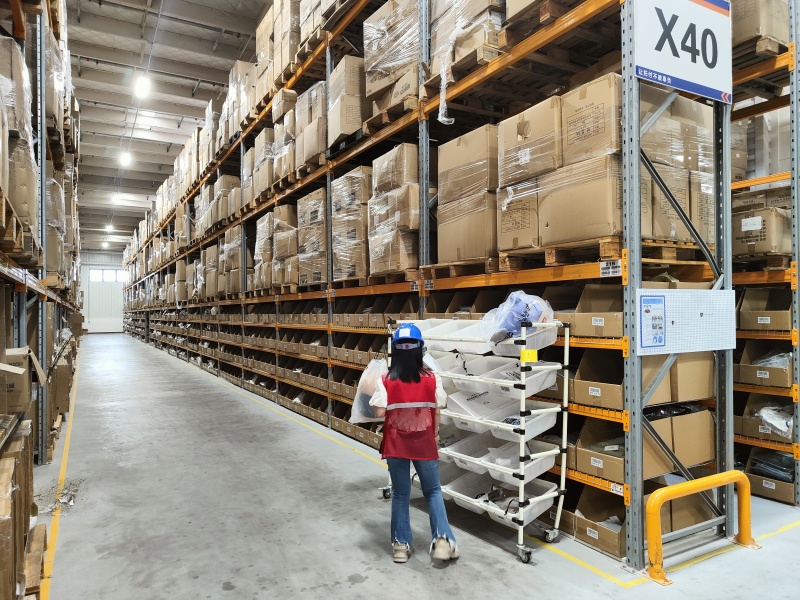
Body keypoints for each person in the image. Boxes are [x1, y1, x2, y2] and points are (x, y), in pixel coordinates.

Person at [370, 324, 458, 564]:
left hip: (396, 443)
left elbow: (379, 412)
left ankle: (401, 546)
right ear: (420, 350)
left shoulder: (385, 380)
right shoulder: (432, 379)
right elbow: (437, 410)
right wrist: (435, 434)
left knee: (400, 493)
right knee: (433, 490)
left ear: (395, 351)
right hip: (424, 441)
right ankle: (442, 542)